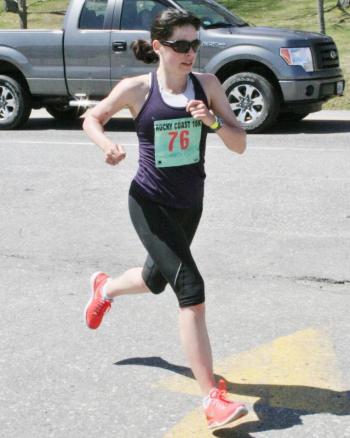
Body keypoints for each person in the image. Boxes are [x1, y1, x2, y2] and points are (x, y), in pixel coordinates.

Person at [83, 8, 247, 430]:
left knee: (156, 279)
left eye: (196, 44)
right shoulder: (137, 88)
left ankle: (105, 287)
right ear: (158, 46)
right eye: (181, 45)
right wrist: (106, 145)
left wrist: (211, 122)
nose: (190, 53)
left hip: (190, 204)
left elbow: (239, 143)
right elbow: (92, 117)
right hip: (149, 203)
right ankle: (211, 398)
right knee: (190, 287)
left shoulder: (207, 85)